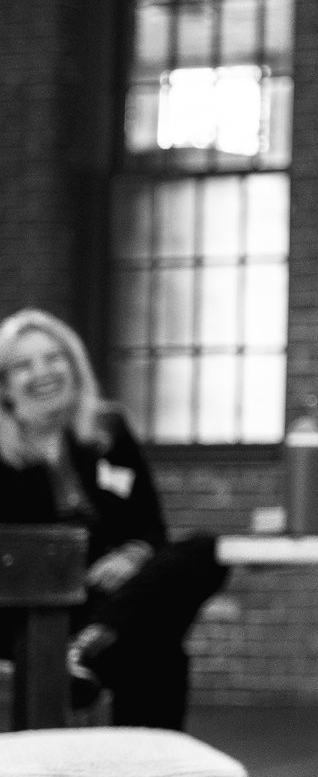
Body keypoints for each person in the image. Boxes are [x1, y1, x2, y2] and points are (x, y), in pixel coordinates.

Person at [0, 308, 227, 730]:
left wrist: (132, 556)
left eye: (54, 358)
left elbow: (151, 527)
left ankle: (88, 646)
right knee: (155, 646)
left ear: (73, 364)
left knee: (205, 551)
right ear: (5, 386)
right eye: (22, 366)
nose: (43, 372)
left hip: (114, 597)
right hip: (31, 610)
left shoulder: (108, 429)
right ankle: (149, 776)